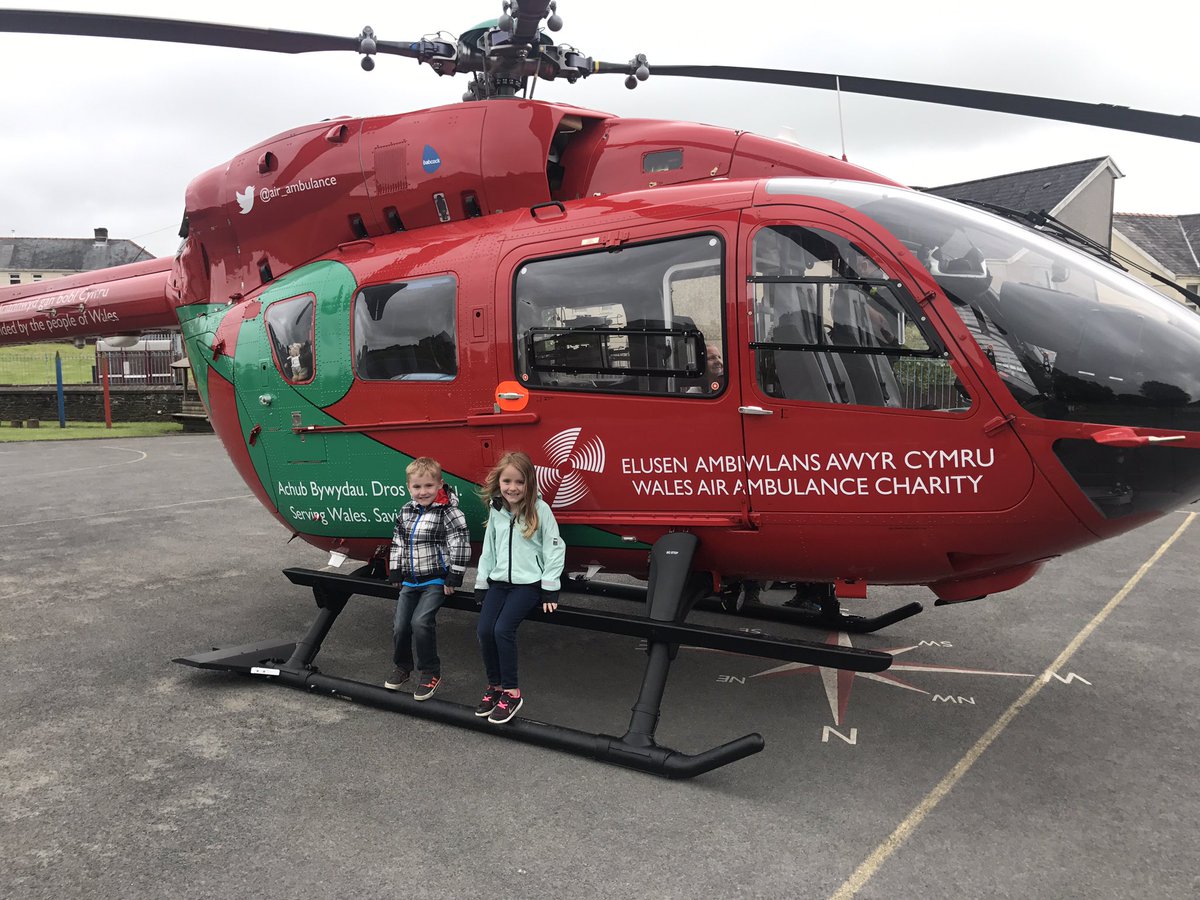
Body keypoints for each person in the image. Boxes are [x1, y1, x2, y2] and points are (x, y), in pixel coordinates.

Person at [473, 451, 566, 724]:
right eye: (507, 481)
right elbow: (489, 549)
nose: (512, 488)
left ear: (529, 484)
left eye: (519, 482)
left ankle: (512, 692)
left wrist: (550, 588)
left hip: (528, 585)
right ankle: (495, 687)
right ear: (498, 482)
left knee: (503, 630)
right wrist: (481, 582)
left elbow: (554, 548)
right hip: (499, 583)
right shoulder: (496, 509)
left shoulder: (540, 510)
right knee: (484, 630)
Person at [383, 456, 470, 700]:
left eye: (429, 486)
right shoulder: (406, 511)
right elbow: (398, 542)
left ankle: (430, 672)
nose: (423, 492)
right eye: (417, 487)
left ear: (440, 484)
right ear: (409, 487)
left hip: (435, 580)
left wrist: (454, 575)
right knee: (400, 626)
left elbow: (460, 544)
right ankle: (403, 666)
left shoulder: (450, 513)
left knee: (420, 623)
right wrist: (395, 570)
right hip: (410, 580)